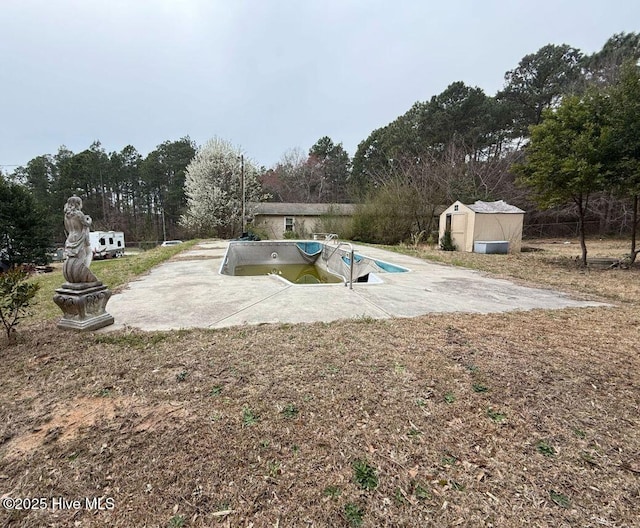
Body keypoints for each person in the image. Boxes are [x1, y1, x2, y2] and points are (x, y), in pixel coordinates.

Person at [62, 196, 98, 284]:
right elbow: (87, 223)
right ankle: (83, 271)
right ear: (78, 204)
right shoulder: (79, 214)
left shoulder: (67, 215)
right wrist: (89, 219)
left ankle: (78, 272)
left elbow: (67, 228)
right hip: (80, 236)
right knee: (87, 253)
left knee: (76, 256)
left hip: (71, 236)